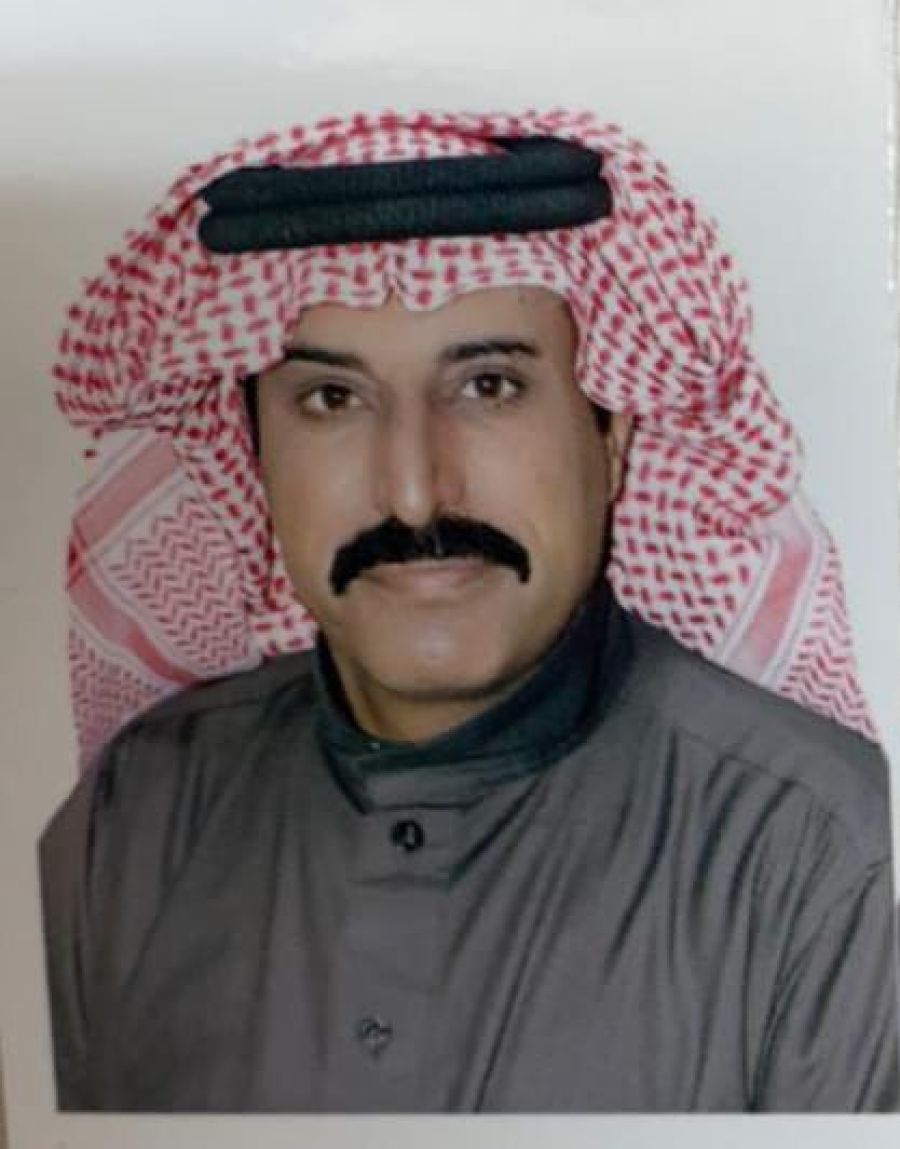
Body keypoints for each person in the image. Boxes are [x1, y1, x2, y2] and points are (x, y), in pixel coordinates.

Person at [39, 109, 899, 1112]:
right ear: (254, 452)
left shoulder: (820, 855)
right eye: (331, 400)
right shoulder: (130, 822)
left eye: (489, 386)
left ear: (613, 436)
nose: (413, 495)